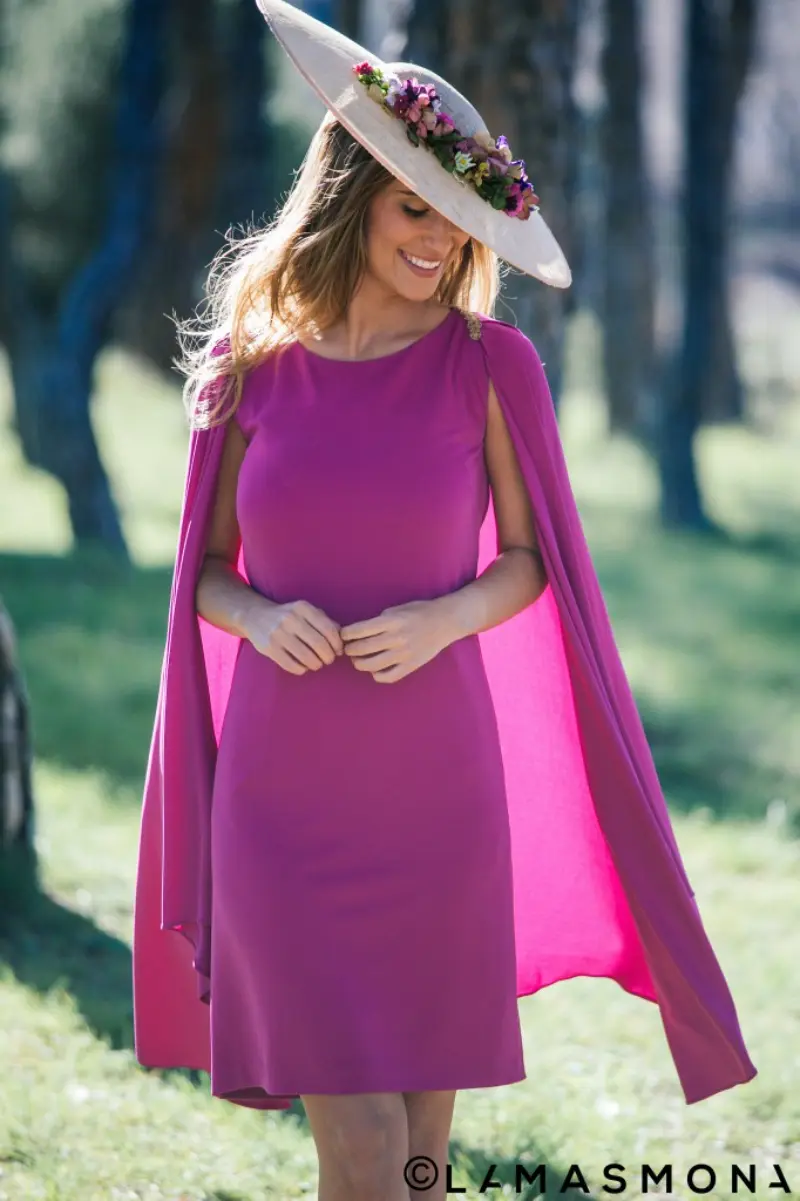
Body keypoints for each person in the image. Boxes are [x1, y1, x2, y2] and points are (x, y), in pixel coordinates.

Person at [132, 3, 756, 1200]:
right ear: (349, 189)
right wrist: (259, 618)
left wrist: (443, 617)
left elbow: (534, 564)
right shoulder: (246, 372)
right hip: (283, 799)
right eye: (413, 206)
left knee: (418, 1164)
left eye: (455, 218)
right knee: (359, 1148)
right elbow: (201, 573)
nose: (434, 241)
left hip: (436, 795)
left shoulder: (486, 366)